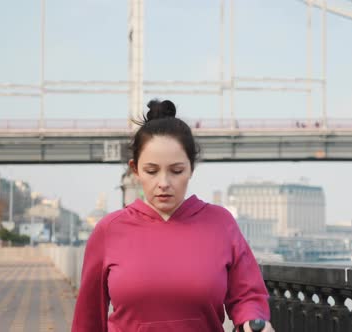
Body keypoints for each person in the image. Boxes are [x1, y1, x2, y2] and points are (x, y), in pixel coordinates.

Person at [71, 99, 273, 332]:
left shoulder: (220, 223)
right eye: (152, 171)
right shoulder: (109, 230)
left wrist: (253, 322)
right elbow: (88, 319)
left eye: (176, 171)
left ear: (191, 168)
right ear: (135, 169)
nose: (164, 183)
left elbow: (248, 295)